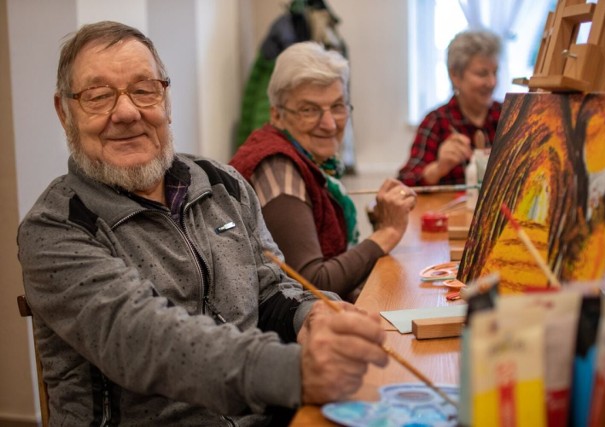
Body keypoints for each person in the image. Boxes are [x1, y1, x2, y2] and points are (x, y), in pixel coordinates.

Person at [17, 21, 389, 425]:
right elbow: (145, 342)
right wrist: (295, 371)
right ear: (64, 111)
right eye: (98, 95)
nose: (126, 112)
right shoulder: (55, 229)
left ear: (166, 100)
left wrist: (312, 317)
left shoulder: (221, 183)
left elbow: (271, 288)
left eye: (144, 90)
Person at [230, 42, 416, 300]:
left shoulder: (310, 159)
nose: (329, 124)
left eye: (338, 106)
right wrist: (388, 233)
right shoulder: (278, 168)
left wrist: (381, 223)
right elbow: (313, 284)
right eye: (309, 110)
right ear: (277, 115)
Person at [397, 29, 502, 186]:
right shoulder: (436, 122)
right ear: (455, 75)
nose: (492, 82)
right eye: (482, 74)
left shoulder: (507, 116)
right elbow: (405, 183)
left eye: (495, 72)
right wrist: (438, 168)